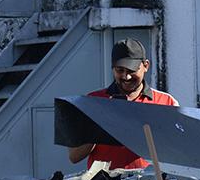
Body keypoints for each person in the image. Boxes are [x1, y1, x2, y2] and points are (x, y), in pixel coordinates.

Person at [68, 38, 179, 169]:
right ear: (112, 68)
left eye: (132, 70)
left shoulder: (167, 102)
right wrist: (99, 125)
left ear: (146, 66)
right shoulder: (92, 102)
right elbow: (74, 157)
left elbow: (180, 155)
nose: (126, 77)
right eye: (120, 70)